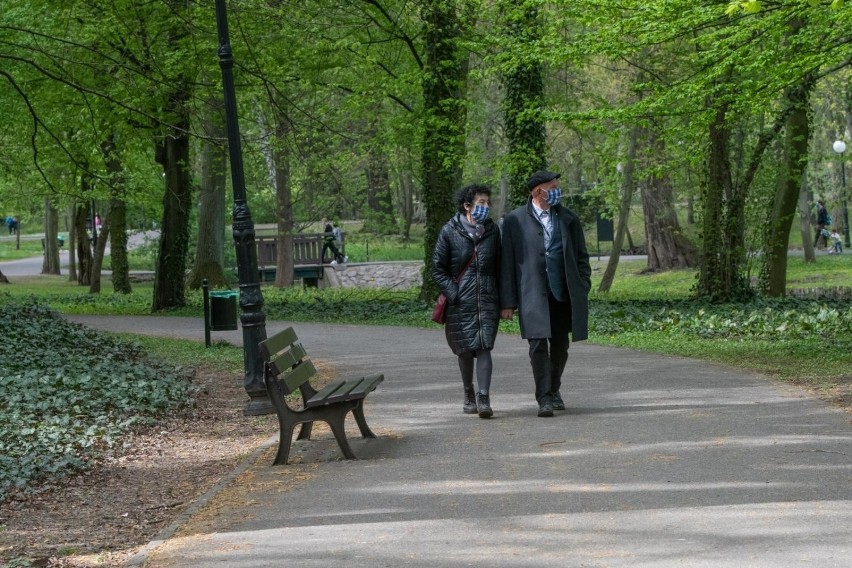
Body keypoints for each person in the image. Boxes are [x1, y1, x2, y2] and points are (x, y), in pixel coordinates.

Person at [500, 170, 591, 417]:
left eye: (557, 186)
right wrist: (507, 301)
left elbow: (582, 257)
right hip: (531, 295)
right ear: (536, 191)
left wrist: (583, 284)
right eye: (551, 187)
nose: (556, 190)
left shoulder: (569, 218)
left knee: (560, 346)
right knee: (538, 345)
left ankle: (553, 389)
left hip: (562, 293)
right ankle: (544, 398)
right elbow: (507, 263)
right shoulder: (514, 220)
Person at [432, 184, 501, 418]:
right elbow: (438, 268)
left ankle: (484, 397)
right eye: (481, 202)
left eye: (487, 203)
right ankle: (468, 392)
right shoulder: (449, 231)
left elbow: (501, 266)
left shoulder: (493, 231)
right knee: (464, 349)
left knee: (484, 346)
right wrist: (454, 293)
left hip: (487, 299)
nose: (485, 207)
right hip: (460, 302)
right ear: (467, 205)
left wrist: (505, 301)